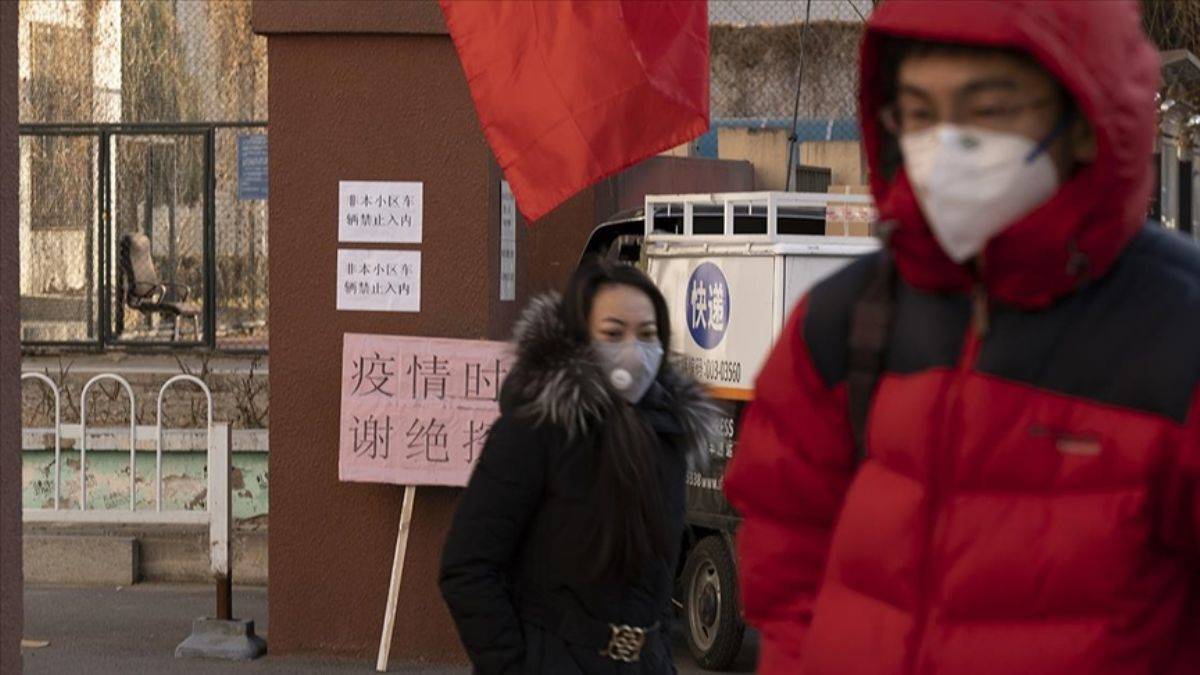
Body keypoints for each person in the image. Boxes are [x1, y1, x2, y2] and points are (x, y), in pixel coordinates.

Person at [724, 1, 1200, 673]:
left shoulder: (1179, 335)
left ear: (1087, 119)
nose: (947, 145)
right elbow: (783, 568)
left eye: (988, 109)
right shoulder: (843, 322)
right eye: (919, 112)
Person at [440, 259, 717, 674]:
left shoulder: (667, 436)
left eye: (647, 334)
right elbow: (467, 567)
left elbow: (655, 590)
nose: (633, 349)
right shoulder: (535, 429)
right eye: (612, 333)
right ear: (578, 338)